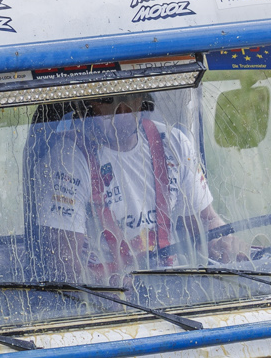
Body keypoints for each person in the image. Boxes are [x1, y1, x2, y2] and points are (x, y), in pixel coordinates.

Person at [33, 90, 231, 284]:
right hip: (105, 297)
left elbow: (206, 220)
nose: (122, 110)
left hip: (171, 290)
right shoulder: (68, 160)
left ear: (142, 98)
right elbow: (64, 265)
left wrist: (222, 241)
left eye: (129, 96)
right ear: (88, 104)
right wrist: (111, 287)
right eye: (108, 100)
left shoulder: (174, 144)